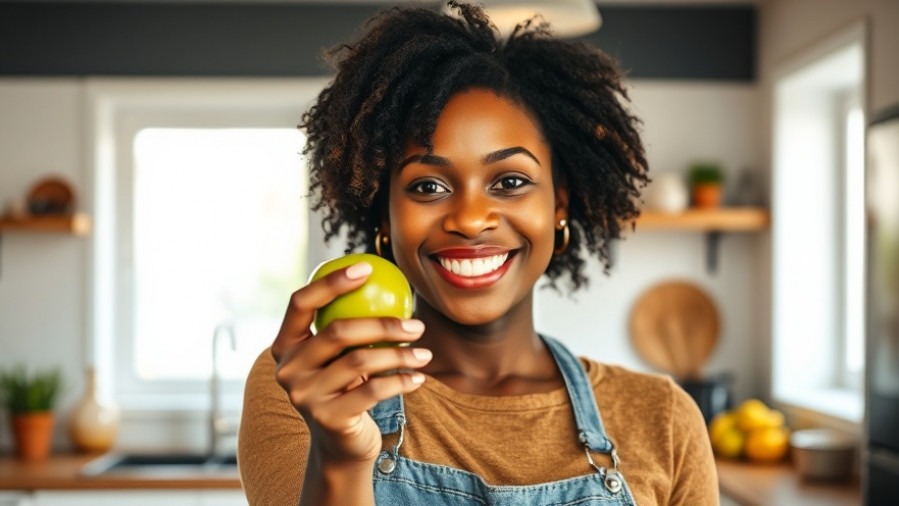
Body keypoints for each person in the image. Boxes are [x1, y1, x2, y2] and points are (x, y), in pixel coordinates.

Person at [238, 2, 718, 505]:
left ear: (559, 205)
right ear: (385, 216)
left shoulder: (664, 420)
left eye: (510, 181)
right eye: (427, 186)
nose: (469, 219)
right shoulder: (308, 390)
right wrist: (340, 462)